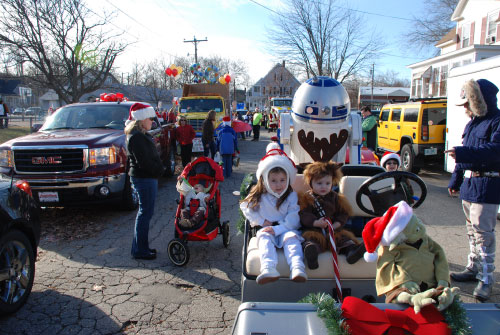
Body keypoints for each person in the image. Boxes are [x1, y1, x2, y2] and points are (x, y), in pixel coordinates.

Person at [446, 78, 500, 302]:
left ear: (479, 100)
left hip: (487, 186)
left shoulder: (497, 121)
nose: (465, 108)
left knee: (483, 235)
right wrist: (456, 181)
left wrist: (463, 154)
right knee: (471, 233)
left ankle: (486, 279)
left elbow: (495, 150)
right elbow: (463, 153)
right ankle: (472, 268)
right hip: (471, 185)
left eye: (468, 103)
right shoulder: (473, 124)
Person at [240, 148, 307, 284]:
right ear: (265, 180)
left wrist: (277, 229)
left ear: (288, 179)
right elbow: (245, 207)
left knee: (292, 241)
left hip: (286, 228)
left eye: (282, 180)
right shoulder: (260, 193)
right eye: (274, 180)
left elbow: (293, 218)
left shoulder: (291, 195)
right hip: (267, 227)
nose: (279, 185)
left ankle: (297, 267)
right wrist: (261, 220)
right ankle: (268, 268)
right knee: (264, 238)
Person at [299, 161, 365, 268]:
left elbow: (343, 214)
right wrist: (315, 223)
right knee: (310, 240)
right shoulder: (307, 198)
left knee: (343, 238)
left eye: (327, 183)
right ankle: (311, 255)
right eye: (319, 183)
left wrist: (336, 225)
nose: (323, 187)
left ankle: (351, 252)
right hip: (314, 230)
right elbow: (304, 214)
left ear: (332, 182)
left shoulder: (336, 198)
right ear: (311, 183)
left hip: (334, 230)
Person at [125, 103, 165, 260]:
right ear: (141, 120)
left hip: (146, 177)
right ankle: (140, 250)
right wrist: (158, 171)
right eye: (149, 118)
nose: (152, 121)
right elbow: (145, 162)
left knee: (145, 213)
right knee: (145, 213)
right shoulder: (137, 137)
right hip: (145, 177)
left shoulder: (140, 135)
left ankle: (140, 247)